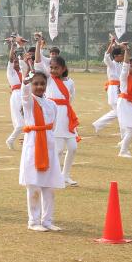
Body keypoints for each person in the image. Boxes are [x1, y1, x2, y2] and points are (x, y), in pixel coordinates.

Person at [19, 69, 64, 231]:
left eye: (42, 84)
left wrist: (49, 140)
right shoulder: (29, 102)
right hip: (34, 145)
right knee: (34, 185)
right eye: (35, 84)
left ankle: (47, 220)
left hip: (49, 145)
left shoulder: (51, 104)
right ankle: (33, 221)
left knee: (49, 186)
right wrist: (25, 84)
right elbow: (24, 97)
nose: (39, 87)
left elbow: (54, 125)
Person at [35, 36, 80, 187]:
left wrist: (67, 112)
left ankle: (65, 175)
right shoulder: (49, 79)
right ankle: (52, 175)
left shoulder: (70, 82)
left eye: (56, 68)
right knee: (59, 149)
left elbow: (71, 98)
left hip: (67, 115)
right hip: (55, 115)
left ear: (63, 69)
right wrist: (38, 45)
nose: (53, 70)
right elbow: (38, 62)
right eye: (51, 67)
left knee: (73, 147)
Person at [92, 38, 125, 133]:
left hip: (119, 89)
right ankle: (123, 131)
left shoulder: (121, 64)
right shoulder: (111, 64)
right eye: (121, 55)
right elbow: (106, 56)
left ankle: (98, 124)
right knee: (119, 111)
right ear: (115, 56)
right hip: (114, 90)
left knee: (118, 111)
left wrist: (122, 47)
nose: (122, 57)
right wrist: (111, 44)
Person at [4, 39, 30, 150]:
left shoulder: (21, 72)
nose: (16, 63)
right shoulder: (10, 71)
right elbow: (10, 59)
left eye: (17, 62)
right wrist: (13, 47)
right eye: (14, 62)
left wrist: (21, 46)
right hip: (16, 96)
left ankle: (25, 141)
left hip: (24, 94)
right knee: (20, 124)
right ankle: (10, 140)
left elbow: (25, 63)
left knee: (28, 119)